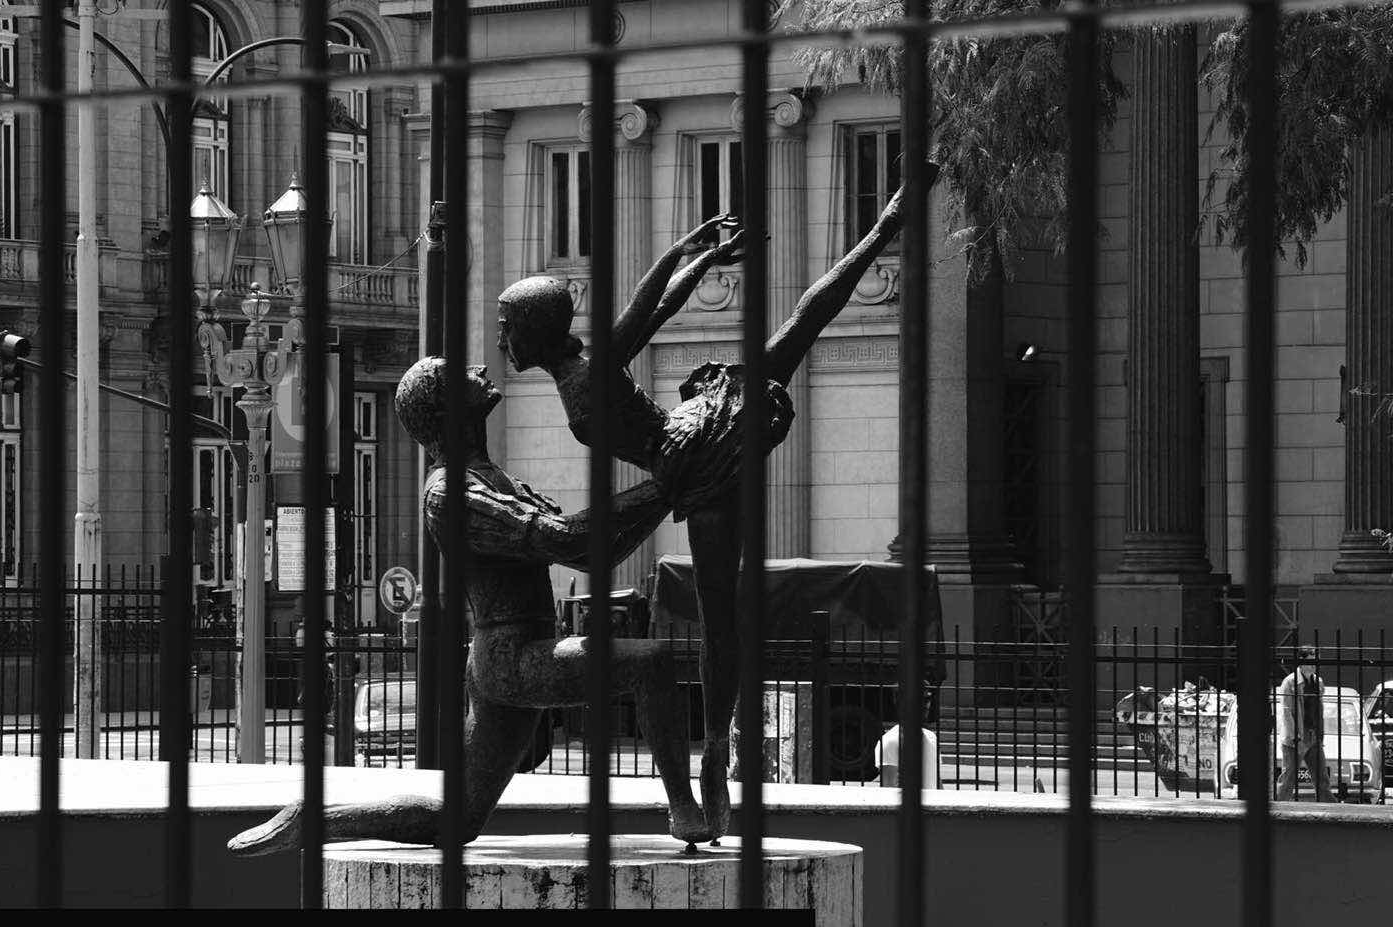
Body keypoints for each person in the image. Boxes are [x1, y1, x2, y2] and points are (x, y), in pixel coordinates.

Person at [497, 161, 942, 837]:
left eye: (507, 324)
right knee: (798, 330)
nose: (502, 337)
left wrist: (689, 251)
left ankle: (715, 750)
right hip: (691, 446)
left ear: (533, 330)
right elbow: (659, 307)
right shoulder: (584, 372)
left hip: (691, 453)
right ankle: (888, 222)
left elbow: (648, 305)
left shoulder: (586, 376)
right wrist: (698, 257)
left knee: (718, 615)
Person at [228, 359, 711, 856]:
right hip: (512, 657)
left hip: (512, 653)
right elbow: (566, 539)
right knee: (650, 661)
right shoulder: (450, 493)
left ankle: (313, 819)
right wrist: (667, 487)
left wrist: (669, 492)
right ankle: (685, 809)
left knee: (457, 819)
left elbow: (592, 552)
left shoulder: (492, 478)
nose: (478, 366)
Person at [1275, 645, 1337, 802]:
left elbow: (1319, 710)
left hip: (1313, 736)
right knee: (1288, 779)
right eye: (1310, 661)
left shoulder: (1318, 682)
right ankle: (1278, 808)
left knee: (1322, 779)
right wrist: (1295, 737)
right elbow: (1287, 712)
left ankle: (1330, 810)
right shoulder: (1290, 682)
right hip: (1295, 738)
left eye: (1316, 661)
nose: (1314, 665)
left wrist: (1320, 735)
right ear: (1301, 662)